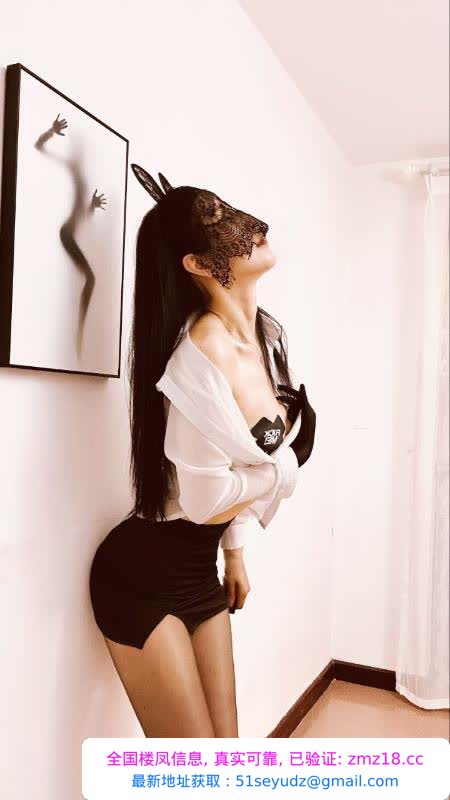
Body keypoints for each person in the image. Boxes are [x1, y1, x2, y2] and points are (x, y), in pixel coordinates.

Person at [89, 164, 316, 738]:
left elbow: (232, 462)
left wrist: (234, 554)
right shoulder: (201, 355)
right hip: (139, 574)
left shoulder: (264, 340)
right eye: (219, 218)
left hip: (199, 566)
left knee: (225, 756)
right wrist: (286, 468)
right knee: (192, 768)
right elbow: (205, 496)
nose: (252, 223)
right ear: (195, 263)